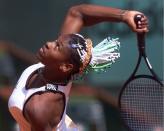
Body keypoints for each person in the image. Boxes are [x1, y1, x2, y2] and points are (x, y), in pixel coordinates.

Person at [8, 4, 148, 131]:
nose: (49, 43)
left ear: (65, 66)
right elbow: (77, 13)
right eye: (56, 41)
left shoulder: (39, 108)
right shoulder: (60, 68)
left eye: (57, 46)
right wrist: (125, 15)